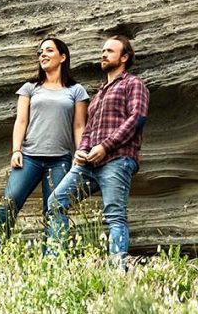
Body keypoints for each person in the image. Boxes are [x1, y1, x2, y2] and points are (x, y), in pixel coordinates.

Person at [45, 35, 149, 269]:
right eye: (103, 51)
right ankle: (56, 263)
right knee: (55, 203)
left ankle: (118, 270)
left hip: (117, 160)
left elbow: (137, 119)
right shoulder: (100, 92)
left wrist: (105, 146)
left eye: (110, 51)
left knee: (114, 215)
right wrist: (82, 149)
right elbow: (90, 129)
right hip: (89, 164)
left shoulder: (133, 84)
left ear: (124, 57)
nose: (103, 55)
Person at [0, 37, 89, 245]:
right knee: (8, 203)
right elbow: (21, 121)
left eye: (49, 50)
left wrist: (80, 154)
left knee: (55, 209)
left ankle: (54, 258)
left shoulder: (76, 91)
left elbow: (80, 126)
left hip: (59, 160)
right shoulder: (30, 88)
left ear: (62, 57)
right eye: (40, 52)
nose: (42, 55)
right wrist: (16, 150)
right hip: (29, 157)